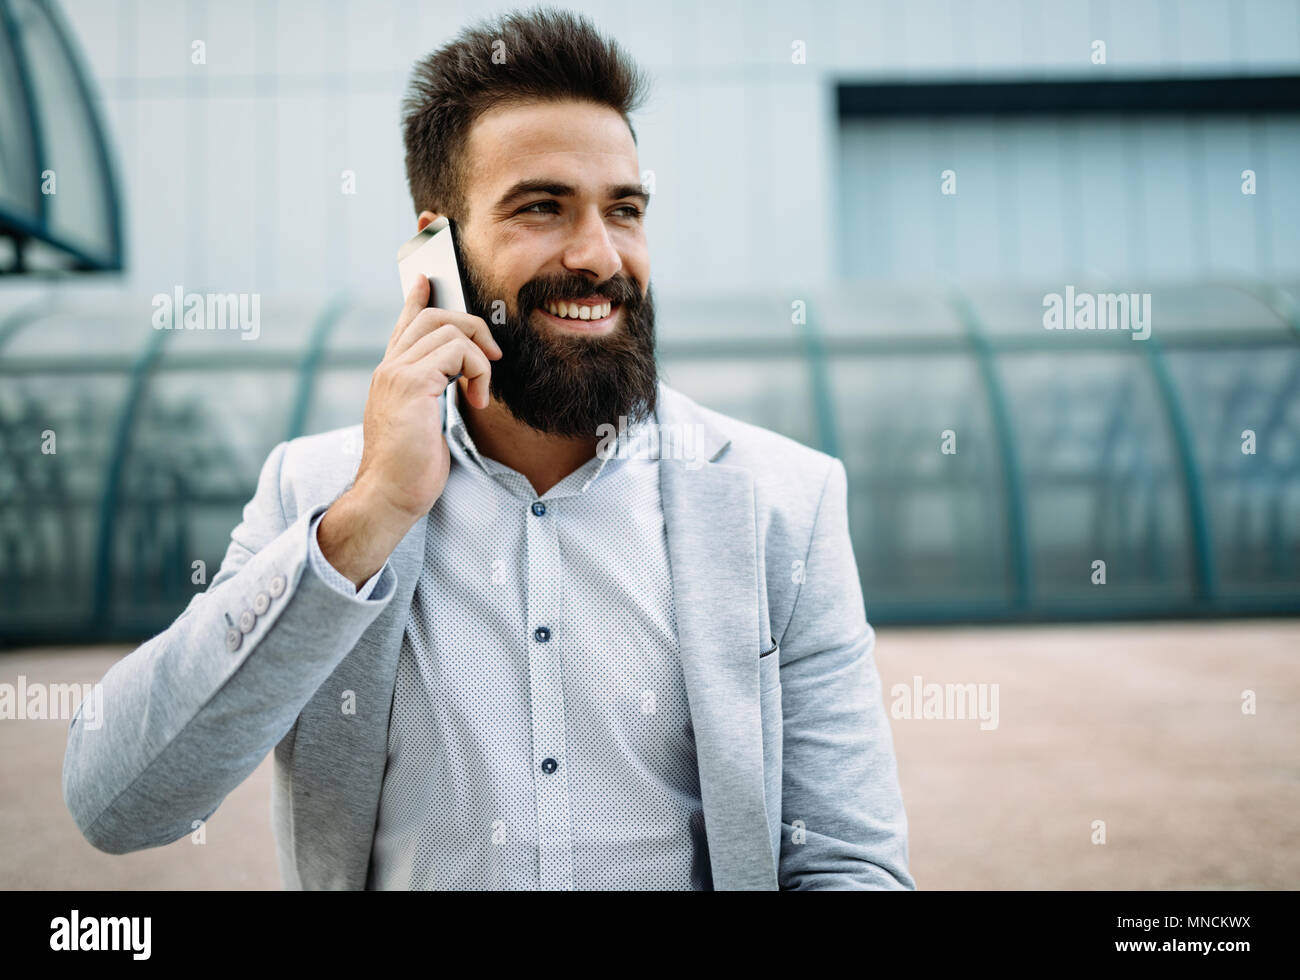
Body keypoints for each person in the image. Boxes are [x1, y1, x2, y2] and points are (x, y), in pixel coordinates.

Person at [63, 6, 913, 891]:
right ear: (437, 252)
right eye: (542, 207)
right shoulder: (320, 496)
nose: (600, 257)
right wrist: (369, 519)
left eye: (624, 209)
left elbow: (849, 864)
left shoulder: (783, 503)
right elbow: (119, 803)